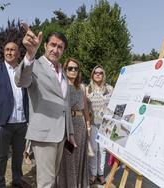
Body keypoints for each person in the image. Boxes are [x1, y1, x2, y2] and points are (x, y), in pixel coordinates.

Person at [15, 23, 76, 188]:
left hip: (60, 134)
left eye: (60, 47)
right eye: (53, 45)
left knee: (53, 178)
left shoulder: (62, 71)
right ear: (45, 45)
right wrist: (29, 54)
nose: (56, 49)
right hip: (44, 134)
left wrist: (69, 132)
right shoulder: (34, 64)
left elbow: (65, 104)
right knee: (46, 182)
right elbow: (21, 81)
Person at [0, 41, 29, 188]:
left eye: (12, 50)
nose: (9, 52)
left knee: (18, 154)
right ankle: (0, 183)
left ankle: (17, 179)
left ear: (18, 53)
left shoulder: (24, 70)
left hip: (22, 121)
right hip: (3, 121)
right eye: (7, 50)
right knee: (1, 156)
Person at [57, 58, 91, 188]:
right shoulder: (61, 86)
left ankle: (78, 184)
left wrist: (88, 123)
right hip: (66, 124)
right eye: (70, 68)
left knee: (78, 156)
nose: (73, 71)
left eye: (76, 69)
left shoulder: (81, 87)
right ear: (65, 70)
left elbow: (85, 108)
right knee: (68, 156)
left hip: (80, 125)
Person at [86, 65, 113, 185]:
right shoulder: (87, 89)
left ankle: (100, 173)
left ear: (103, 75)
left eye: (100, 73)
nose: (98, 74)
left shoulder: (109, 89)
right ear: (92, 75)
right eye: (95, 72)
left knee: (102, 150)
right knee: (94, 149)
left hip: (105, 124)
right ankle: (93, 174)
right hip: (92, 124)